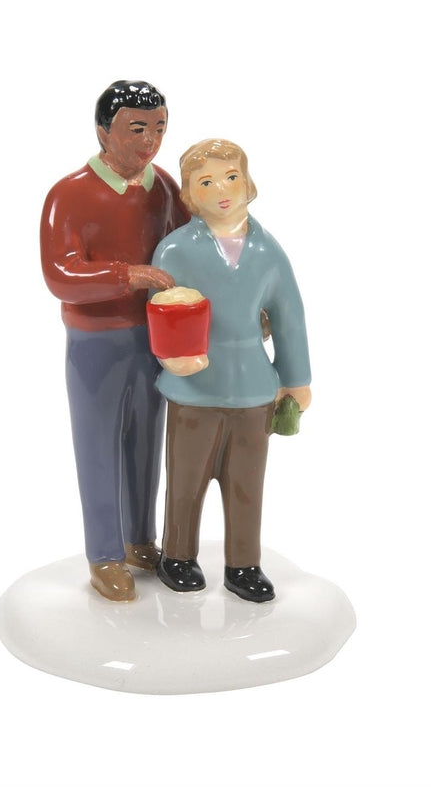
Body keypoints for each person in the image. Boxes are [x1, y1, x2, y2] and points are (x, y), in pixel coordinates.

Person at [40, 81, 190, 601]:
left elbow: (188, 251)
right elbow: (60, 274)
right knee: (97, 444)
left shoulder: (163, 187)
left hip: (156, 334)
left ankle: (140, 539)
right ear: (104, 132)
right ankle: (104, 553)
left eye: (159, 128)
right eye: (137, 129)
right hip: (95, 341)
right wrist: (129, 275)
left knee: (147, 439)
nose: (151, 140)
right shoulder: (69, 194)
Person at [151, 139, 312, 602]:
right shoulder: (175, 251)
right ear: (189, 194)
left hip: (251, 387)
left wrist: (296, 379)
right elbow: (160, 311)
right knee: (186, 478)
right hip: (194, 386)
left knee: (247, 483)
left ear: (247, 182)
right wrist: (171, 356)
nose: (221, 190)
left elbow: (289, 316)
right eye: (206, 182)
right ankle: (177, 553)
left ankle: (244, 563)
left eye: (231, 177)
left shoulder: (268, 251)